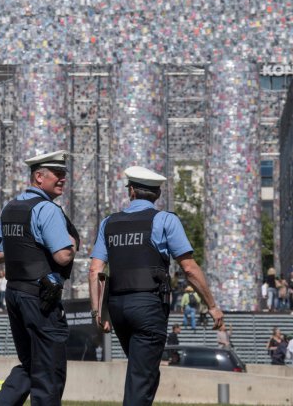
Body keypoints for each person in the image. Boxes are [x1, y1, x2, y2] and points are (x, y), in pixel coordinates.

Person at [89, 166, 224, 406]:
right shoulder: (165, 220)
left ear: (131, 192)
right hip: (148, 307)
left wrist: (98, 311)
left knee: (143, 370)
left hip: (118, 307)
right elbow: (190, 268)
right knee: (142, 377)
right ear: (158, 194)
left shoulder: (109, 223)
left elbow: (95, 270)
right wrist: (212, 306)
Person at [0, 150, 79, 406]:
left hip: (15, 294)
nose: (63, 179)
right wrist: (72, 244)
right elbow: (63, 256)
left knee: (30, 364)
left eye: (64, 174)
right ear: (39, 177)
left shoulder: (10, 208)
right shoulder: (46, 209)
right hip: (41, 298)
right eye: (58, 174)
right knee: (49, 371)